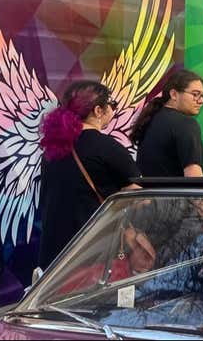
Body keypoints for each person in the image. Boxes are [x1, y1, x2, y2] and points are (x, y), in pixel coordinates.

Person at [38, 81, 142, 269]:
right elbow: (139, 196)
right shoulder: (108, 148)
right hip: (93, 252)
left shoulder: (52, 149)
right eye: (112, 105)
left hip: (54, 254)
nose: (114, 110)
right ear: (98, 111)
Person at [131, 69, 203, 178]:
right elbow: (193, 175)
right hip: (175, 194)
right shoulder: (186, 123)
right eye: (195, 94)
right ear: (174, 94)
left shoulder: (150, 119)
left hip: (149, 194)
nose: (201, 100)